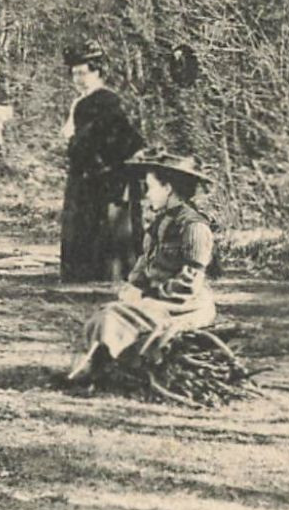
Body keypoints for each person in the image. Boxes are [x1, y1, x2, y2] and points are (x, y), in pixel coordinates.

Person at [66, 149, 216, 385]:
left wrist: (148, 295)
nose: (147, 195)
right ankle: (97, 367)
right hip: (158, 300)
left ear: (168, 189)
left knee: (113, 316)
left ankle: (101, 371)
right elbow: (145, 262)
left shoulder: (194, 228)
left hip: (184, 306)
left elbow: (190, 281)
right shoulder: (161, 222)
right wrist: (132, 286)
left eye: (150, 187)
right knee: (108, 311)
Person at [60, 41, 145, 283]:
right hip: (91, 170)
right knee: (89, 220)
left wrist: (84, 153)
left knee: (99, 221)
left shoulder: (103, 100)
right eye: (74, 73)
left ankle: (98, 274)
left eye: (82, 72)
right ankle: (91, 272)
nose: (77, 78)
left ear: (97, 72)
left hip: (99, 171)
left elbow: (116, 138)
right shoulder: (84, 100)